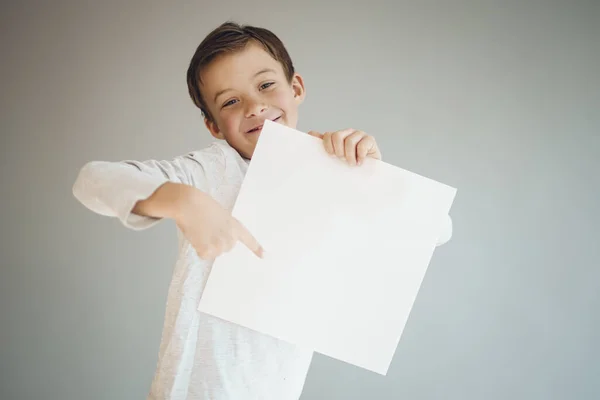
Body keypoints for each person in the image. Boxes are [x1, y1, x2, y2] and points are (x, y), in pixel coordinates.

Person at [72, 21, 453, 400]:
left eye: (266, 85)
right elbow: (92, 181)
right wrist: (181, 198)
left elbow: (438, 230)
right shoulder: (207, 172)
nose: (255, 106)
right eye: (230, 102)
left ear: (296, 88)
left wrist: (370, 173)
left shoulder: (329, 169)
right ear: (214, 126)